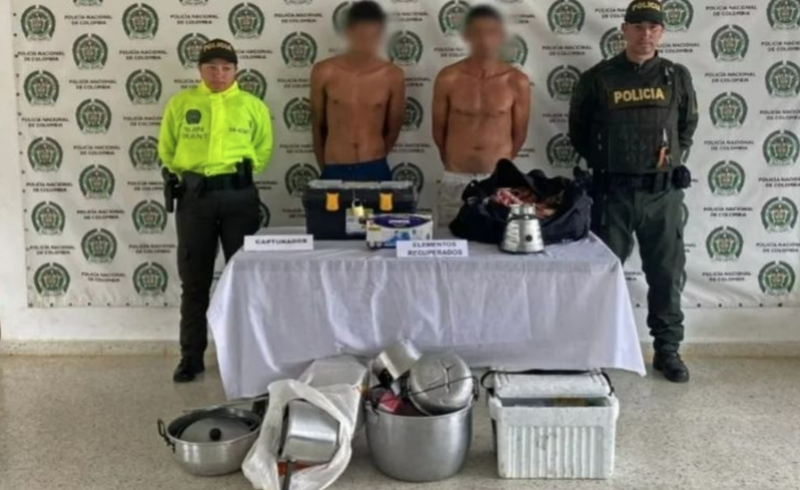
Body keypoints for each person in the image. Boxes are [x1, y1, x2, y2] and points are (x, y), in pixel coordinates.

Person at [569, 0, 698, 383]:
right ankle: (592, 350)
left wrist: (666, 162)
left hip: (662, 195)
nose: (646, 34)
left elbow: (687, 126)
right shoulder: (598, 78)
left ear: (662, 33)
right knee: (600, 276)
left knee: (666, 275)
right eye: (638, 26)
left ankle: (667, 350)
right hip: (613, 195)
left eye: (653, 27)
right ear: (623, 30)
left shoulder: (676, 76)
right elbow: (579, 133)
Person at [159, 39, 273, 383]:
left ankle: (247, 355)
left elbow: (262, 149)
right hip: (195, 201)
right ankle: (191, 357)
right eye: (212, 67)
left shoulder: (252, 105)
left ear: (236, 70)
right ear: (200, 69)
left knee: (245, 280)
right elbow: (167, 150)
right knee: (195, 282)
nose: (219, 74)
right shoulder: (181, 104)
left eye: (226, 68)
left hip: (239, 199)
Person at [432, 5, 531, 227]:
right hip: (455, 178)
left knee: (496, 244)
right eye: (477, 32)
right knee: (451, 243)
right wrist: (453, 162)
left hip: (497, 182)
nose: (484, 40)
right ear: (467, 35)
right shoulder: (448, 78)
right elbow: (438, 130)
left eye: (491, 32)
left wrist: (498, 169)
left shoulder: (517, 81)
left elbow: (519, 135)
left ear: (501, 36)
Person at [310, 0, 405, 181]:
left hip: (375, 166)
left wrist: (374, 157)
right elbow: (317, 126)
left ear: (380, 35)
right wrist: (326, 168)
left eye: (372, 36)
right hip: (335, 166)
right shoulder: (324, 71)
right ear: (349, 32)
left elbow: (394, 127)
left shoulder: (393, 76)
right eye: (361, 36)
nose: (366, 43)